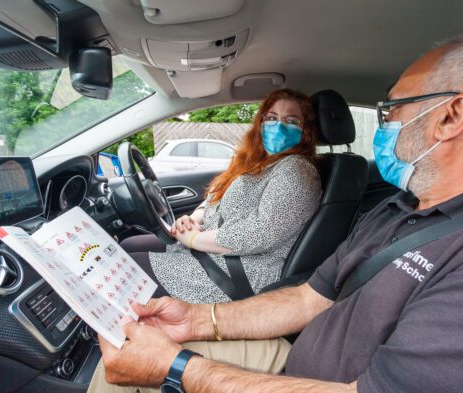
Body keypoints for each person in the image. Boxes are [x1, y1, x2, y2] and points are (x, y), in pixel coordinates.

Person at [80, 34, 463, 393]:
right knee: (121, 362)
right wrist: (198, 321)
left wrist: (175, 367)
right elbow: (307, 299)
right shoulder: (399, 209)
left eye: (391, 109)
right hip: (295, 361)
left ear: (452, 117)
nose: (384, 124)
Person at [121, 88, 322, 303]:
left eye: (291, 121)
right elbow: (214, 198)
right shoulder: (257, 162)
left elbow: (261, 233)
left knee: (127, 269)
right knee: (129, 246)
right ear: (261, 122)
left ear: (306, 131)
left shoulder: (297, 171)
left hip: (246, 270)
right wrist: (192, 219)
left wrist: (194, 239)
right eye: (272, 118)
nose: (279, 126)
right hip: (219, 252)